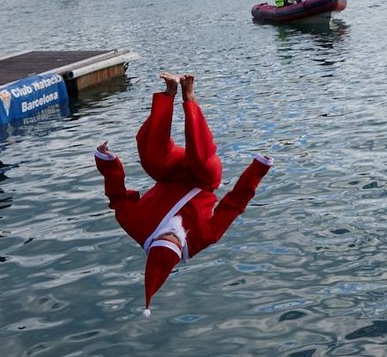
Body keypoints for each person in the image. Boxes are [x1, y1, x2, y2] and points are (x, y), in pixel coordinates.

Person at [95, 72, 273, 316]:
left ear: (154, 240)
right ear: (181, 249)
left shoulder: (137, 226)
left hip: (169, 173)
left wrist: (107, 162)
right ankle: (190, 97)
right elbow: (234, 204)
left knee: (151, 157)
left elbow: (117, 197)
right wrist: (258, 168)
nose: (172, 232)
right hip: (204, 178)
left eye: (165, 235)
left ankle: (169, 93)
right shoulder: (203, 236)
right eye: (175, 239)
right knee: (200, 158)